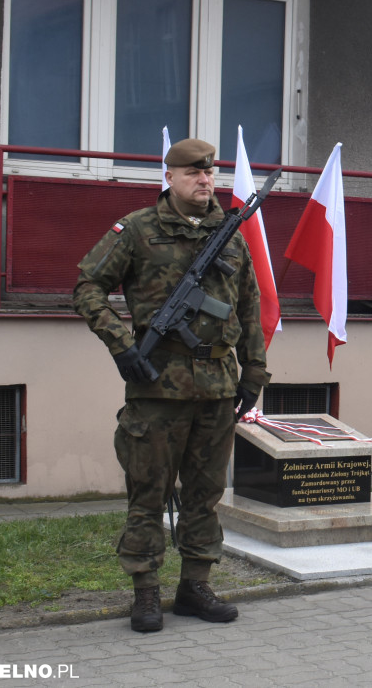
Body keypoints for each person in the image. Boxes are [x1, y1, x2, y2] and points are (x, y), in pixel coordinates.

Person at [74, 138, 270, 634]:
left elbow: (250, 308)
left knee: (204, 494)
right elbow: (87, 286)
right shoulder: (138, 230)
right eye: (193, 173)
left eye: (210, 173)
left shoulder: (230, 235)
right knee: (149, 494)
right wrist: (121, 344)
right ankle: (145, 592)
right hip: (157, 389)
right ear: (170, 177)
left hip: (218, 389)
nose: (204, 181)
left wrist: (254, 371)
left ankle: (195, 586)